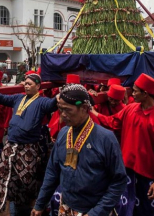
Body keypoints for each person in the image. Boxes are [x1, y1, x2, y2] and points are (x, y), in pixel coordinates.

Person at [33, 83, 128, 216]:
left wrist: (96, 212)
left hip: (94, 210)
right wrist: (40, 203)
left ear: (84, 108)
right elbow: (52, 172)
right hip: (66, 208)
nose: (63, 115)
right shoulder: (63, 134)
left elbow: (118, 181)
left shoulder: (106, 139)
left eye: (68, 110)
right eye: (61, 109)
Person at [0, 73, 59, 216]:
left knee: (27, 180)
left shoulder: (42, 102)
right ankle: (4, 210)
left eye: (30, 84)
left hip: (28, 148)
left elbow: (53, 104)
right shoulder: (18, 98)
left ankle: (31, 201)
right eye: (26, 83)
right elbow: (2, 98)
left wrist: (60, 97)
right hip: (10, 145)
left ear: (38, 86)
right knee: (2, 177)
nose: (27, 85)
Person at [99, 73, 154, 216]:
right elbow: (112, 122)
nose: (132, 93)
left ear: (145, 94)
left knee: (146, 210)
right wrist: (92, 112)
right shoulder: (130, 109)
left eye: (135, 91)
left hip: (147, 174)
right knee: (124, 208)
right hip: (127, 170)